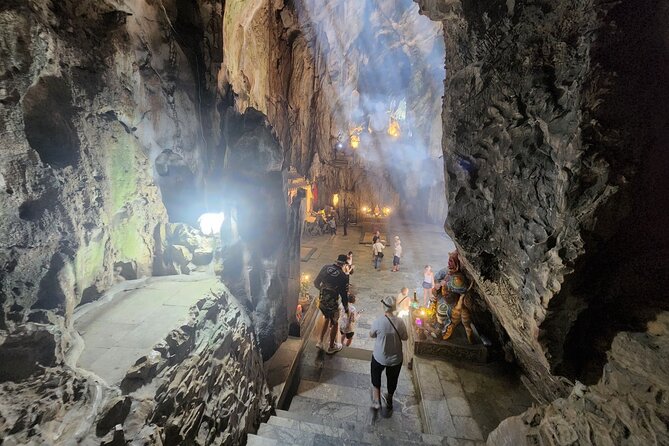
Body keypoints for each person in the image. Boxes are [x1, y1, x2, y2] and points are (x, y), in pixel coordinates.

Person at [369, 296, 408, 410]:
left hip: (379, 356)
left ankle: (376, 401)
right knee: (393, 379)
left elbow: (371, 334)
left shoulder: (378, 321)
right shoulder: (400, 322)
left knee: (376, 376)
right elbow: (405, 337)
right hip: (396, 359)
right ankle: (389, 398)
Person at [313, 254, 351, 353]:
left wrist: (324, 291)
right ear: (344, 264)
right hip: (332, 303)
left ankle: (320, 341)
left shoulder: (325, 267)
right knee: (334, 322)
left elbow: (316, 283)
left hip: (322, 301)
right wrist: (346, 308)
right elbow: (344, 295)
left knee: (326, 317)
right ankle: (331, 346)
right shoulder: (343, 276)